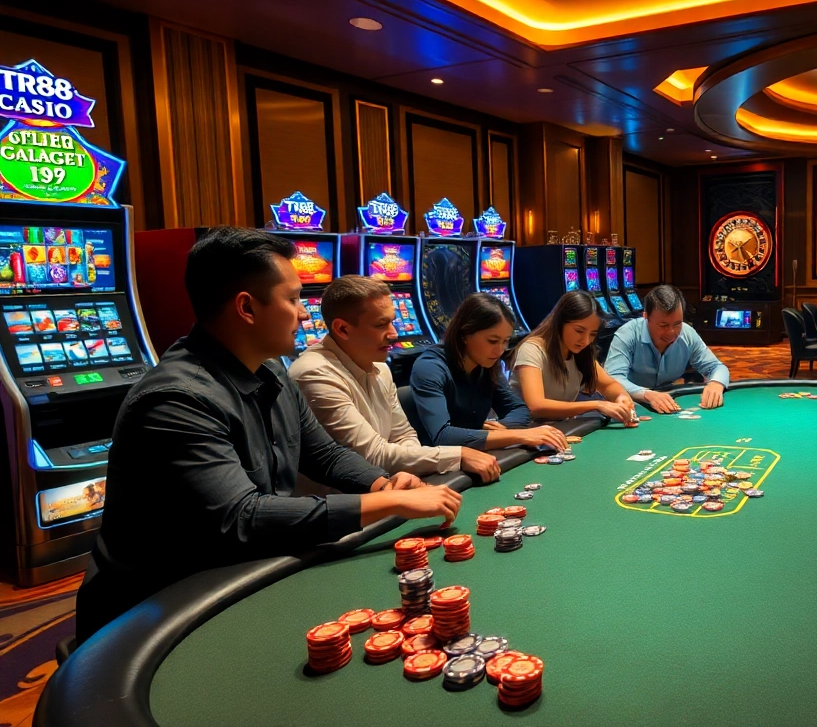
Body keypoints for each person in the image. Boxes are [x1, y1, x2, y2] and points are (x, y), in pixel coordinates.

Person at [76, 228, 461, 642]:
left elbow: (325, 454)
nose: (303, 312)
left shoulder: (270, 369)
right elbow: (241, 517)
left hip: (233, 573)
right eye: (293, 298)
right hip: (153, 612)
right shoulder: (176, 400)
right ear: (246, 308)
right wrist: (389, 501)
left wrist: (380, 480)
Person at [290, 276, 501, 485]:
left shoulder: (381, 368)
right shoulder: (314, 373)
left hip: (385, 488)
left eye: (392, 321)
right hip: (342, 508)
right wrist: (459, 455)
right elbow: (371, 454)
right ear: (342, 329)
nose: (394, 333)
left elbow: (403, 435)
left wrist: (405, 472)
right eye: (382, 325)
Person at [410, 293, 569, 451]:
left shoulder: (486, 365)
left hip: (478, 456)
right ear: (465, 334)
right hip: (437, 468)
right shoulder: (430, 367)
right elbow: (443, 437)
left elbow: (519, 410)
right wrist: (520, 435)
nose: (500, 350)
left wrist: (498, 429)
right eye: (492, 341)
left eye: (505, 341)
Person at [509, 290, 640, 424]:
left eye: (592, 334)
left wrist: (621, 396)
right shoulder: (532, 349)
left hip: (557, 428)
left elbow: (608, 385)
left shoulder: (581, 352)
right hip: (523, 430)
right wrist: (597, 405)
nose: (585, 340)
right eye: (579, 331)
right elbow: (536, 406)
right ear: (560, 322)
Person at [604, 285, 730, 414]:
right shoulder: (627, 334)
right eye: (663, 325)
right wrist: (646, 394)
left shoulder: (687, 333)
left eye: (677, 324)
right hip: (630, 404)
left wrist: (716, 383)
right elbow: (612, 378)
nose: (671, 332)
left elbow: (716, 367)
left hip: (667, 400)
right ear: (646, 317)